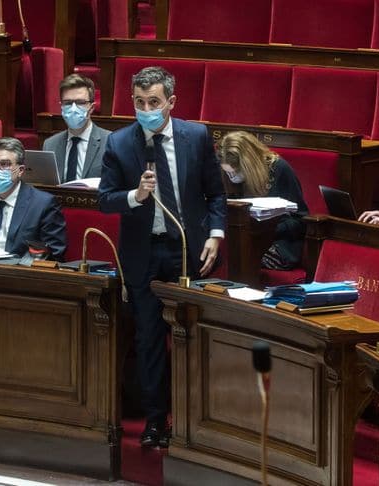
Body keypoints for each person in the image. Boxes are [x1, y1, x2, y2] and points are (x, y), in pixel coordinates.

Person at [99, 66, 226, 448]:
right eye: (139, 102)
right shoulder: (120, 143)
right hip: (143, 254)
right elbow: (105, 200)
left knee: (192, 338)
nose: (146, 109)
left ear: (171, 102)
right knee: (150, 340)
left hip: (188, 251)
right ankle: (157, 422)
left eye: (153, 102)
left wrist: (216, 235)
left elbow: (215, 195)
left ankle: (196, 421)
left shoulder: (197, 136)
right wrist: (135, 197)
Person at [0, 137, 67, 260]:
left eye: (4, 164)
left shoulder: (43, 204)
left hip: (19, 274)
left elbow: (54, 253)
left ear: (20, 170)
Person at [218, 130, 309, 269]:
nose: (232, 178)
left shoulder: (279, 169)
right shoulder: (226, 175)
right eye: (228, 173)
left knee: (241, 261)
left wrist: (267, 230)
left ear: (249, 166)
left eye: (235, 172)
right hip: (242, 239)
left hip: (278, 241)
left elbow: (300, 219)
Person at [42, 74, 110, 183]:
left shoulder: (110, 142)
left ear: (91, 107)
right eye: (68, 103)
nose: (73, 109)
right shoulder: (50, 144)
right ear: (61, 106)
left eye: (80, 102)